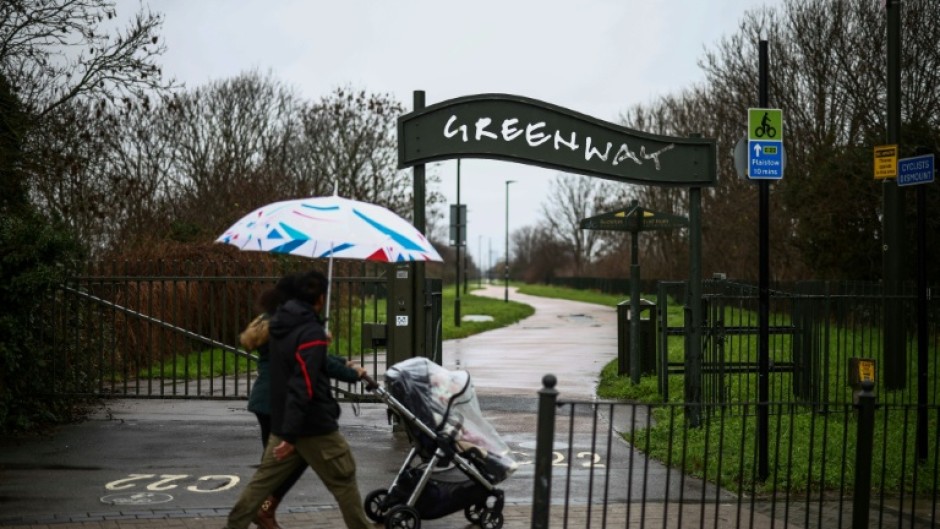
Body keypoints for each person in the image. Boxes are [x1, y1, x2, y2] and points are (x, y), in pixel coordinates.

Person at [225, 270, 374, 529]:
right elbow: (304, 382)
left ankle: (235, 524)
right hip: (311, 422)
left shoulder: (281, 325)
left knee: (263, 481)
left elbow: (304, 364)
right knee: (344, 478)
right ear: (319, 298)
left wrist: (319, 342)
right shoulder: (308, 331)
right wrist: (292, 435)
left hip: (282, 417)